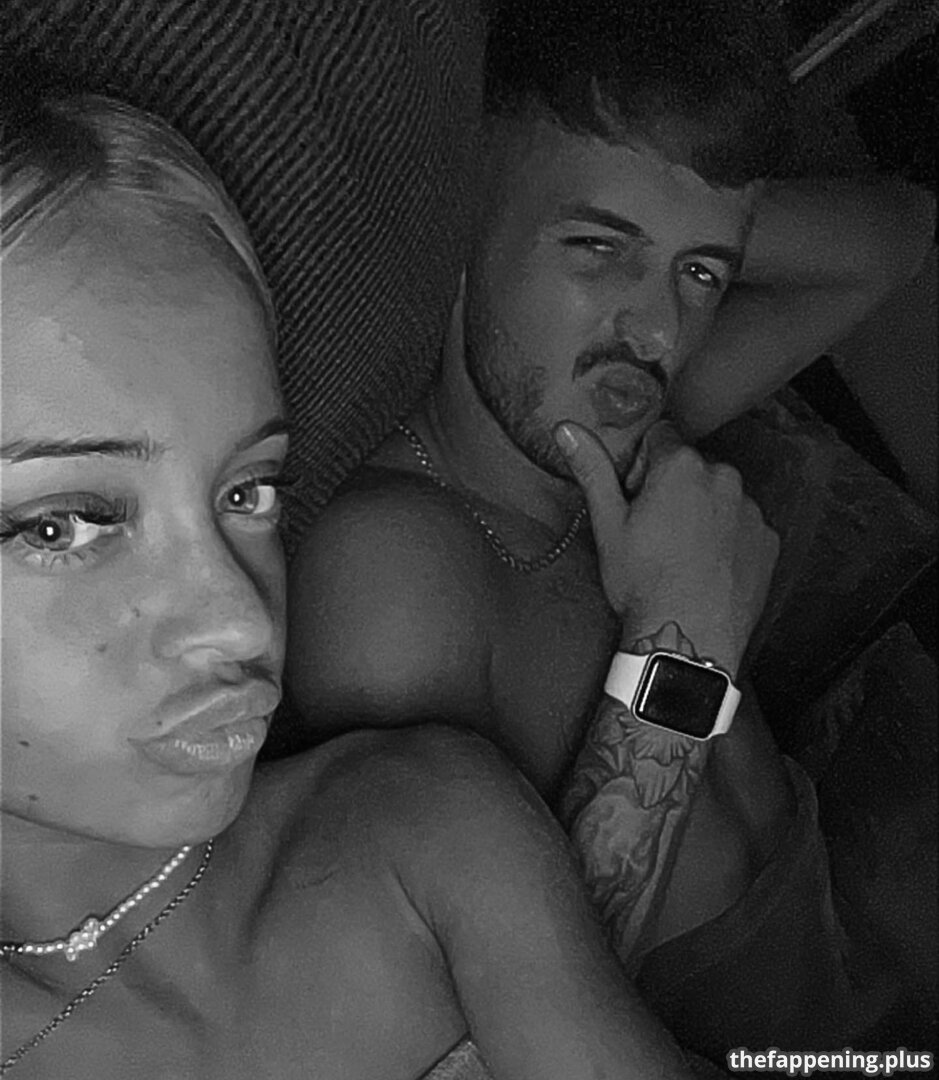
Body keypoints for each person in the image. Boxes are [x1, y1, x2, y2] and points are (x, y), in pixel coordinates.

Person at [0, 90, 718, 1080]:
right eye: (62, 525)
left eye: (248, 491)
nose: (240, 619)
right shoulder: (403, 571)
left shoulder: (424, 826)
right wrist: (691, 646)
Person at [284, 0, 935, 1057]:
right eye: (596, 247)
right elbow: (484, 1049)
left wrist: (686, 200)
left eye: (700, 277)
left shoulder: (621, 445)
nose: (660, 330)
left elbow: (894, 237)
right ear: (455, 221)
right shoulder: (394, 574)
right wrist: (685, 643)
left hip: (862, 1007)